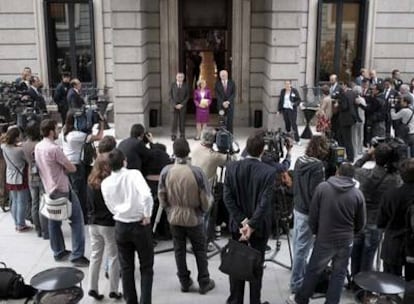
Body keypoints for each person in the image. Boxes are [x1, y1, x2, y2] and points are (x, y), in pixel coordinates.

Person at [287, 163, 366, 304]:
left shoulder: (323, 188)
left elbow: (313, 215)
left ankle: (302, 299)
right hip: (346, 241)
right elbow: (361, 223)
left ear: (337, 172)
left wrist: (317, 232)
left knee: (313, 270)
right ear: (352, 177)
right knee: (339, 274)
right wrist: (351, 234)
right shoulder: (357, 194)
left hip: (325, 239)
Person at [223, 131, 277, 304]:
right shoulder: (269, 172)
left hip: (237, 226)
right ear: (262, 151)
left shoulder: (231, 167)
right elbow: (265, 203)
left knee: (236, 264)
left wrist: (242, 221)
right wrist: (251, 224)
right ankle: (255, 301)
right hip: (258, 228)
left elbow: (227, 197)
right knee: (256, 266)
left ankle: (235, 300)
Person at [158, 138, 215, 294]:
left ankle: (184, 281)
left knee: (179, 249)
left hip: (174, 216)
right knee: (200, 250)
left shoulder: (166, 171)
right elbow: (205, 198)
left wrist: (169, 210)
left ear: (174, 152)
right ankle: (204, 281)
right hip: (194, 217)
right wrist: (203, 211)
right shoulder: (197, 172)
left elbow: (161, 196)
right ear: (188, 152)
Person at [101, 149, 154, 304]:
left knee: (126, 267)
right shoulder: (134, 175)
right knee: (146, 267)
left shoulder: (106, 183)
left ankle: (131, 301)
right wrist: (147, 214)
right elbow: (146, 195)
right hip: (139, 224)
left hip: (121, 225)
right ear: (124, 161)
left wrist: (119, 213)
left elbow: (109, 205)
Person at [35, 119, 89, 267]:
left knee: (54, 222)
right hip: (62, 189)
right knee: (77, 221)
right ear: (51, 131)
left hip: (48, 188)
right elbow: (71, 168)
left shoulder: (38, 147)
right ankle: (77, 255)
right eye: (57, 129)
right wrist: (63, 169)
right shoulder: (54, 149)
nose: (59, 131)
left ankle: (58, 252)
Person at [351, 143, 402, 278]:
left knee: (356, 251)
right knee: (368, 255)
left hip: (359, 217)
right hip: (376, 220)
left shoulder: (365, 174)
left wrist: (367, 155)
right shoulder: (394, 179)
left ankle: (354, 280)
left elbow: (354, 167)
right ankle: (363, 287)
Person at [290, 135, 329, 294]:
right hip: (309, 212)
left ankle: (297, 275)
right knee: (303, 249)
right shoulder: (318, 166)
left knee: (297, 245)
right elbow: (317, 193)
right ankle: (297, 283)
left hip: (298, 207)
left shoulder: (300, 161)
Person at [87, 153, 122, 301]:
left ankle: (92, 287)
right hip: (108, 224)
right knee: (113, 256)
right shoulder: (109, 183)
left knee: (95, 256)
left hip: (93, 223)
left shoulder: (90, 181)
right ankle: (113, 290)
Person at [60, 110, 104, 222]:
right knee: (80, 192)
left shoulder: (64, 130)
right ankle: (80, 216)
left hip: (68, 163)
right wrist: (102, 123)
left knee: (74, 190)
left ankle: (74, 214)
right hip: (76, 165)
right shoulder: (77, 135)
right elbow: (99, 137)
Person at [377, 158, 414, 281]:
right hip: (411, 245)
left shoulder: (390, 194)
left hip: (393, 243)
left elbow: (381, 221)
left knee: (390, 284)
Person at [1, 127, 31, 232]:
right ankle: (20, 224)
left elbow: (8, 144)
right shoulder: (20, 151)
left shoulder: (4, 147)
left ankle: (16, 222)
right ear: (17, 137)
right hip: (20, 177)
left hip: (10, 176)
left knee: (14, 201)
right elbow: (28, 160)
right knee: (22, 201)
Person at [22, 120, 48, 238]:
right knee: (43, 203)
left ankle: (38, 228)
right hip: (42, 175)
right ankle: (44, 229)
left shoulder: (24, 145)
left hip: (31, 175)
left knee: (35, 203)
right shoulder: (40, 145)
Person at [335, 82, 356, 161]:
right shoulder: (352, 93)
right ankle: (342, 156)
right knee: (343, 138)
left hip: (345, 120)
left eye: (341, 85)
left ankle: (349, 158)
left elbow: (344, 106)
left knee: (346, 140)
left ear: (345, 85)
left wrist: (338, 104)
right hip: (349, 119)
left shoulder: (344, 94)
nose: (340, 87)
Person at [215, 70, 236, 134]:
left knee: (230, 121)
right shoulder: (217, 84)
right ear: (220, 76)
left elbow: (233, 94)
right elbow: (217, 94)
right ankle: (222, 136)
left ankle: (230, 136)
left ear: (227, 75)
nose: (223, 76)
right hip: (221, 106)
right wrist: (223, 102)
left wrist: (228, 102)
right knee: (221, 121)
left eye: (224, 75)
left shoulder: (232, 83)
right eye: (222, 75)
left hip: (230, 105)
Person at [170, 73, 189, 141]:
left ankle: (182, 134)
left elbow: (187, 96)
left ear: (183, 78)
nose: (180, 78)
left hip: (182, 106)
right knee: (174, 121)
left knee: (182, 121)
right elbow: (170, 96)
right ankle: (173, 134)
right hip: (174, 106)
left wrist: (182, 104)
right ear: (176, 77)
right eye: (178, 77)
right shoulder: (173, 85)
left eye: (181, 77)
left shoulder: (186, 85)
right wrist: (174, 104)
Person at [351, 85, 367, 157]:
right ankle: (360, 150)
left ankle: (355, 151)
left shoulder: (353, 100)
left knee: (354, 136)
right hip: (362, 119)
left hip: (356, 119)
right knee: (361, 135)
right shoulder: (363, 99)